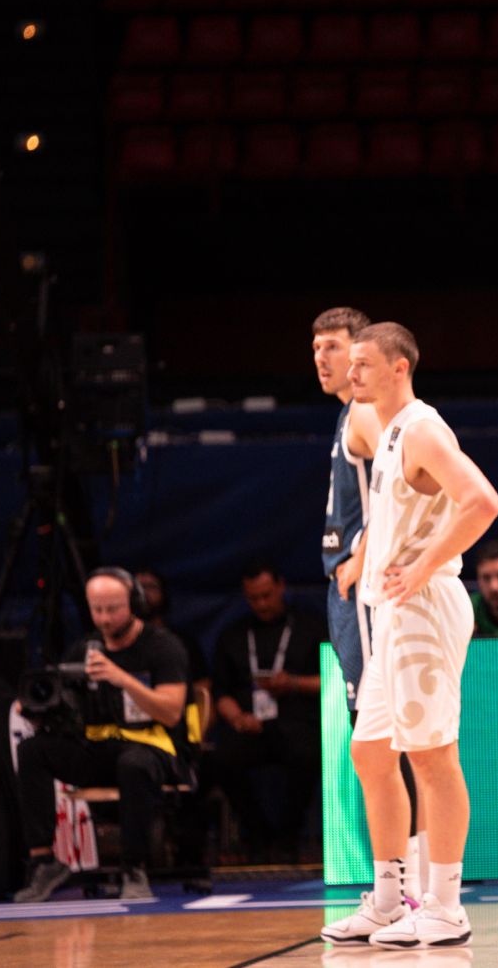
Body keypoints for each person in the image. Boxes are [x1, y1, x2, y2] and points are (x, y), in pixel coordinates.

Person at [326, 321, 498, 950]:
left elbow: (482, 501)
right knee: (370, 753)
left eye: (363, 364)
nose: (351, 374)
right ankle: (387, 899)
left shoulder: (423, 428)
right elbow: (390, 509)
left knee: (432, 757)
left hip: (424, 607)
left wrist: (425, 565)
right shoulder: (388, 427)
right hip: (391, 612)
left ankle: (446, 906)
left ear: (400, 367)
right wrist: (365, 556)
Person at [310, 307, 427, 897]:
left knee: (387, 741)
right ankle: (402, 883)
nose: (324, 359)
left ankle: (413, 881)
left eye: (334, 347)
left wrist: (363, 549)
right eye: (317, 348)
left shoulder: (367, 414)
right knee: (376, 741)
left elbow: (403, 479)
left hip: (369, 591)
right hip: (349, 592)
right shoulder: (348, 415)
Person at [13, 568, 188, 903]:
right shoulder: (85, 649)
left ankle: (134, 868)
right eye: (97, 610)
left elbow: (171, 712)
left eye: (113, 609)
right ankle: (43, 862)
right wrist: (37, 709)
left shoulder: (162, 646)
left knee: (133, 763)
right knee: (33, 751)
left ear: (134, 603)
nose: (105, 618)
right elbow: (64, 708)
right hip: (98, 749)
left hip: (151, 748)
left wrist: (123, 679)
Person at [207, 562, 325, 862]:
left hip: (298, 723)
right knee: (221, 759)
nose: (261, 604)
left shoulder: (311, 627)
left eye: (267, 595)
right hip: (250, 725)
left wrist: (294, 683)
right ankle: (257, 836)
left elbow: (335, 680)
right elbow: (220, 691)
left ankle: (288, 838)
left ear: (281, 586)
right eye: (253, 598)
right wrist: (237, 718)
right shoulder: (233, 635)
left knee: (309, 754)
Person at [135, 568, 214, 736]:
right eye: (138, 588)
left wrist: (195, 732)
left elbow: (202, 689)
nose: (143, 593)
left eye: (150, 587)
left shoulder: (181, 642)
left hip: (176, 726)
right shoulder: (117, 644)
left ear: (163, 593)